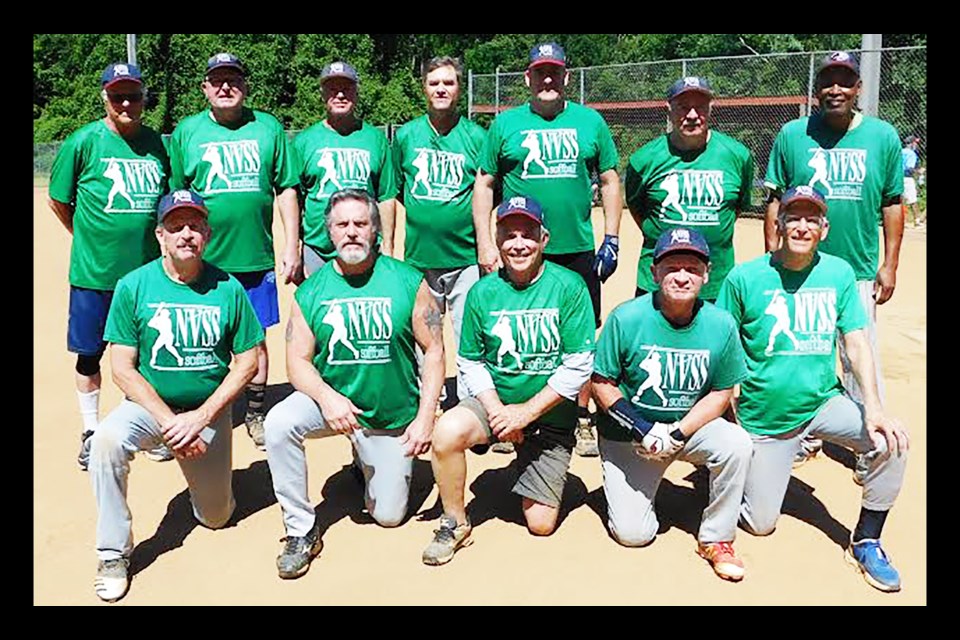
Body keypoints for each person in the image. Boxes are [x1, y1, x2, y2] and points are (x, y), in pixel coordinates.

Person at [717, 186, 909, 592]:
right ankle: (748, 472)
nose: (801, 226)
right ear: (778, 224)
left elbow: (856, 340)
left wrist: (872, 407)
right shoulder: (745, 277)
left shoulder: (838, 273)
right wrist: (725, 415)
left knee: (892, 442)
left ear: (823, 228)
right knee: (760, 524)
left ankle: (867, 539)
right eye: (793, 217)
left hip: (823, 403)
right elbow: (722, 344)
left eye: (811, 219)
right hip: (765, 418)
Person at [88, 189, 264, 602]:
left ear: (207, 234)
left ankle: (204, 488)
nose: (186, 233)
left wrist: (200, 418)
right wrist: (171, 423)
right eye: (176, 226)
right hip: (152, 410)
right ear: (160, 235)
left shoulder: (229, 288)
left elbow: (247, 363)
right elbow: (122, 368)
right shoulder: (134, 285)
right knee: (106, 442)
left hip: (206, 413)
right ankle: (113, 553)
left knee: (217, 517)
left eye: (195, 225)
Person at [263, 189, 444, 579]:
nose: (351, 233)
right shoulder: (312, 290)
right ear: (329, 232)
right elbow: (296, 361)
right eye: (342, 225)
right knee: (278, 423)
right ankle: (300, 530)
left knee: (389, 517)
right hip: (335, 406)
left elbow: (433, 351)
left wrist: (426, 416)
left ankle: (368, 460)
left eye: (361, 224)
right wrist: (328, 399)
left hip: (389, 411)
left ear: (375, 230)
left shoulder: (407, 281)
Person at [422, 195, 596, 566]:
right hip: (497, 405)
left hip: (548, 416)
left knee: (540, 524)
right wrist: (499, 411)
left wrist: (526, 414)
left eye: (528, 234)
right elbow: (470, 361)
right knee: (447, 431)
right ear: (497, 240)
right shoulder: (482, 292)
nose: (518, 244)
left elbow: (579, 365)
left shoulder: (569, 286)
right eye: (509, 235)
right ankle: (454, 521)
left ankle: (533, 459)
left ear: (544, 239)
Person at [472, 41, 622, 457]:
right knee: (518, 331)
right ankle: (509, 415)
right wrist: (487, 243)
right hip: (520, 247)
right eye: (540, 72)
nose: (548, 79)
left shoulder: (589, 122)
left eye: (555, 71)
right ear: (528, 78)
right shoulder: (506, 125)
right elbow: (484, 184)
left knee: (580, 338)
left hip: (575, 248)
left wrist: (611, 236)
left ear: (567, 77)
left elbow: (609, 179)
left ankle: (579, 418)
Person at [763, 51, 904, 466]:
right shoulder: (793, 134)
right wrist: (774, 251)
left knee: (859, 356)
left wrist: (890, 263)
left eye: (845, 81)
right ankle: (805, 436)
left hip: (857, 269)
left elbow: (892, 203)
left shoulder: (883, 137)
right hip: (799, 268)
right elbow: (774, 198)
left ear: (858, 88)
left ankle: (867, 443)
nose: (836, 89)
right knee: (803, 353)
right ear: (817, 88)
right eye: (828, 81)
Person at [591, 227, 752, 582]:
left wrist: (677, 432)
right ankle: (639, 487)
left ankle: (717, 538)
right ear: (654, 272)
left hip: (687, 428)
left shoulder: (721, 324)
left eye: (692, 269)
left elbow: (721, 392)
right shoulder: (626, 317)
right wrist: (644, 428)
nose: (682, 276)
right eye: (672, 267)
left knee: (737, 444)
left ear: (706, 274)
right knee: (635, 535)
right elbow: (602, 383)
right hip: (631, 436)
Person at [168, 52, 302, 451]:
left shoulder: (268, 127)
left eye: (233, 79)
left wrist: (291, 244)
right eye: (217, 80)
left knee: (255, 340)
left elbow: (287, 189)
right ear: (205, 87)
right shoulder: (187, 131)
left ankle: (255, 411)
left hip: (253, 257)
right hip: (200, 258)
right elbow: (176, 197)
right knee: (194, 333)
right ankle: (185, 407)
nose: (225, 86)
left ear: (245, 85)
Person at [48, 62, 171, 470]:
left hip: (145, 275)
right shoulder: (83, 142)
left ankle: (146, 423)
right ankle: (90, 431)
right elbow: (59, 200)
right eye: (117, 95)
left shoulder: (156, 143)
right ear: (105, 97)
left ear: (142, 99)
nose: (126, 103)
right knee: (90, 355)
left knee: (145, 355)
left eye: (133, 95)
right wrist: (86, 237)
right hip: (94, 274)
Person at [392, 56, 486, 401]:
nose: (441, 88)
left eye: (449, 82)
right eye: (434, 83)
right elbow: (396, 191)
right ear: (424, 88)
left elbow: (487, 192)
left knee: (467, 337)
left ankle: (468, 404)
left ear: (459, 88)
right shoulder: (406, 135)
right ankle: (427, 402)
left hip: (465, 257)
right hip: (419, 259)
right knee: (424, 336)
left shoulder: (476, 137)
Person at [624, 76, 754, 302]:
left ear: (711, 108)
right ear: (669, 109)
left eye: (700, 107)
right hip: (658, 281)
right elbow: (638, 208)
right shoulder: (644, 159)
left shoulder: (738, 156)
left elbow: (737, 207)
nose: (692, 115)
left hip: (716, 282)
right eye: (683, 107)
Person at [294, 61, 398, 276]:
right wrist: (295, 247)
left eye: (347, 88)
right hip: (318, 250)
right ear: (323, 94)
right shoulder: (304, 142)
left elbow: (386, 197)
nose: (340, 95)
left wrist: (387, 245)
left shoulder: (375, 139)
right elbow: (294, 199)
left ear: (356, 93)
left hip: (365, 249)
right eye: (333, 89)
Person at [901, 135, 922, 227]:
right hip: (907, 178)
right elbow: (909, 169)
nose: (916, 145)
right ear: (912, 143)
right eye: (916, 143)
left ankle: (901, 221)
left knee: (900, 200)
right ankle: (917, 221)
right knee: (913, 200)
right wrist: (919, 171)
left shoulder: (900, 151)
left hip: (897, 177)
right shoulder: (911, 154)